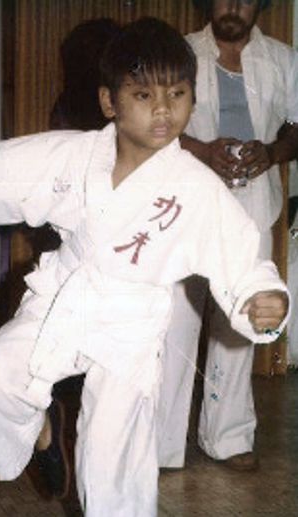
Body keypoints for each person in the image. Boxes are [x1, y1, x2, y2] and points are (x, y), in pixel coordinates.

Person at [0, 17, 290, 517]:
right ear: (109, 101)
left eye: (178, 93)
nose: (164, 109)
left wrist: (257, 297)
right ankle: (43, 436)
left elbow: (239, 253)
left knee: (113, 467)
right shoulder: (75, 156)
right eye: (144, 95)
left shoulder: (196, 186)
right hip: (64, 301)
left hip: (130, 332)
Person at [158, 0, 298, 473]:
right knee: (177, 317)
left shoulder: (283, 59)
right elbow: (151, 124)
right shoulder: (179, 52)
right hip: (186, 201)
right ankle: (161, 444)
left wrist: (274, 150)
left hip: (252, 204)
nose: (233, 6)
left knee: (239, 319)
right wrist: (202, 149)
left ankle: (228, 436)